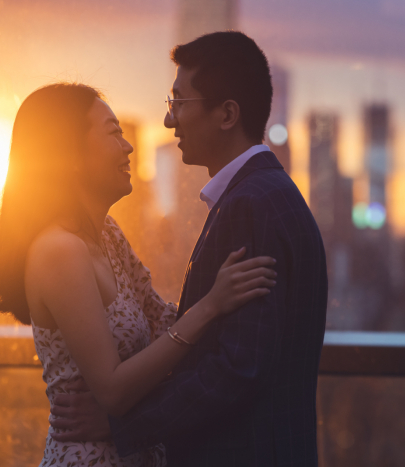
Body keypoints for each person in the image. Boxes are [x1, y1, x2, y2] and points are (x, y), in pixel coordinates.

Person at [52, 32, 328, 466]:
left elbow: (238, 369)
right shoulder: (267, 195)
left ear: (227, 114)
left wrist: (121, 424)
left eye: (179, 103)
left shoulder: (251, 205)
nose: (169, 121)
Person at [0, 82, 278, 467]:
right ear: (69, 153)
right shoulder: (59, 251)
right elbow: (113, 391)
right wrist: (210, 306)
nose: (128, 147)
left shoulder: (108, 235)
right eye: (114, 133)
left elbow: (162, 321)